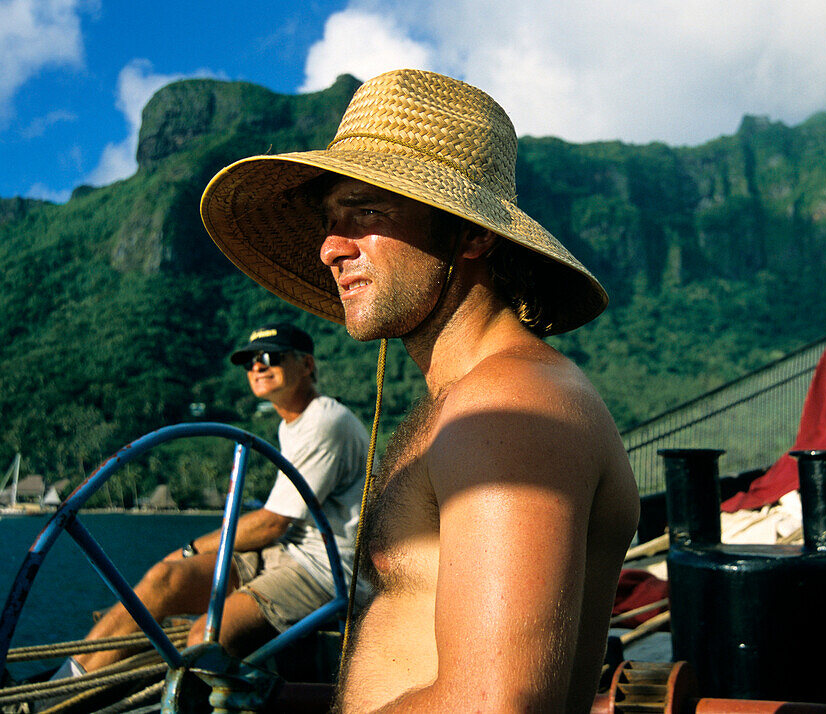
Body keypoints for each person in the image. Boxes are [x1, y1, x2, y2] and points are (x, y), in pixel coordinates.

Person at [201, 69, 640, 712]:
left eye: (368, 212)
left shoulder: (511, 408)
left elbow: (492, 704)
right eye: (330, 220)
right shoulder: (466, 403)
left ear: (471, 234)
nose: (329, 248)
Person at [71, 323, 372, 673]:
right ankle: (57, 693)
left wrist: (192, 549)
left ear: (306, 365)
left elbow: (272, 522)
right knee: (163, 579)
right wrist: (183, 558)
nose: (257, 367)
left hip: (325, 569)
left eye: (270, 357)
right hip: (284, 552)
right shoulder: (292, 424)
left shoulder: (325, 421)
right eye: (250, 362)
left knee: (204, 640)